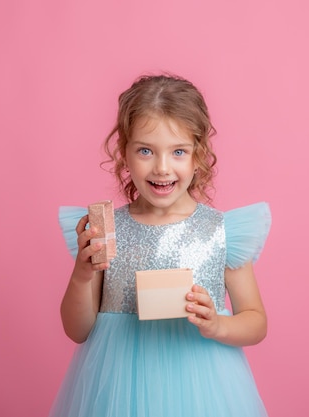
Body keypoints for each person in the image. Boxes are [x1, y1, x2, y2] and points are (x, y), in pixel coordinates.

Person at [50, 74, 272, 417]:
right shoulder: (106, 229)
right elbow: (76, 330)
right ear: (123, 153)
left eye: (178, 151)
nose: (162, 167)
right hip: (117, 390)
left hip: (202, 390)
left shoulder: (219, 231)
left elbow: (256, 321)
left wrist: (217, 324)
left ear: (199, 155)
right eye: (145, 151)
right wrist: (82, 274)